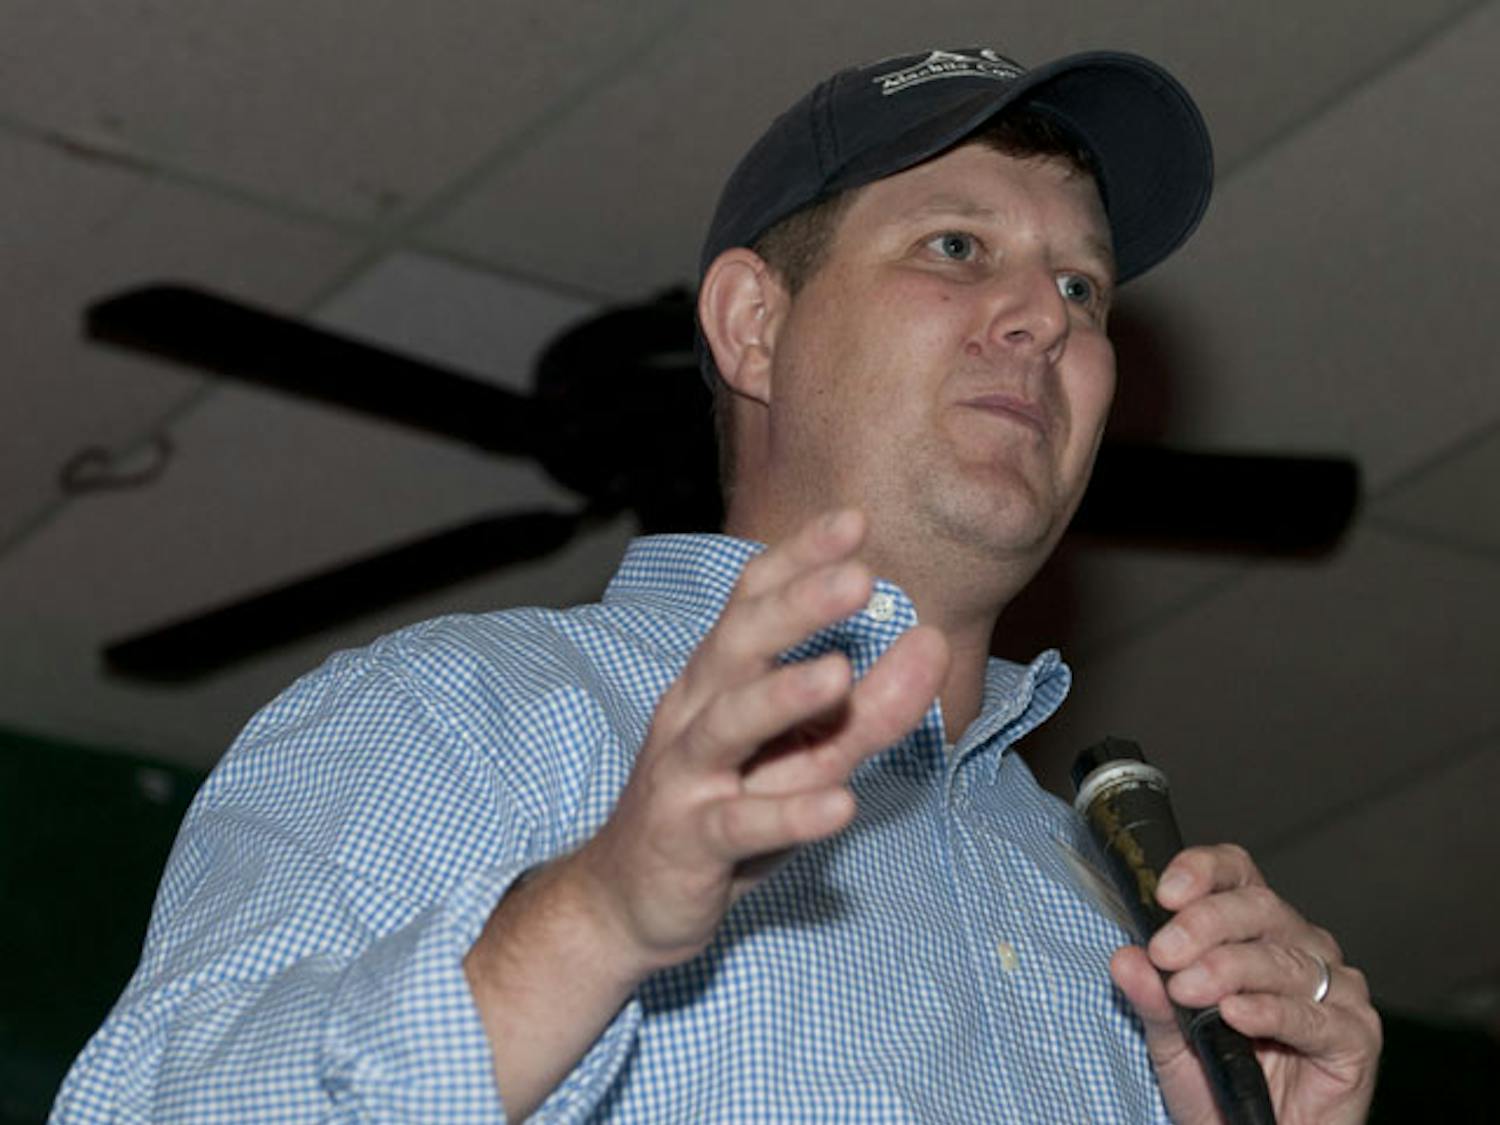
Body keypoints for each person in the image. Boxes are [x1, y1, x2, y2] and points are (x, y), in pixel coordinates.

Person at [53, 46, 1381, 1123]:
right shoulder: (456, 718)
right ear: (753, 323)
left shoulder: (1110, 908)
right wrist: (595, 916)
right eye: (957, 249)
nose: (1045, 315)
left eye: (1082, 283)